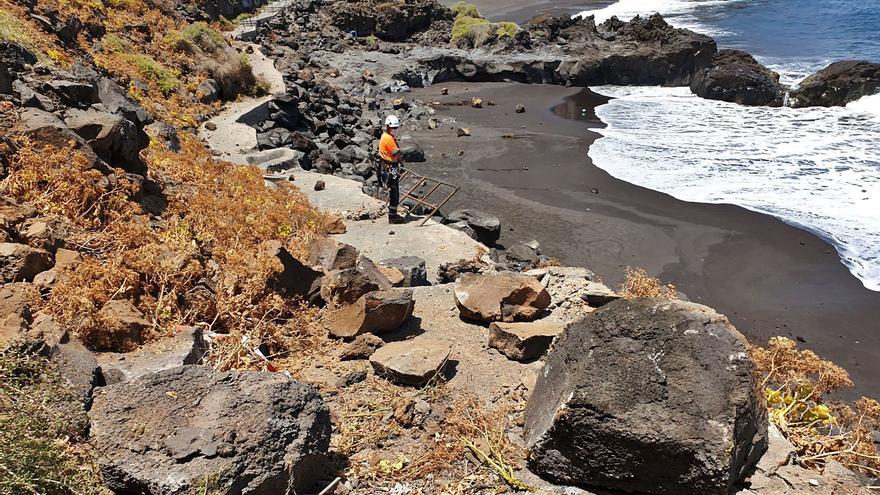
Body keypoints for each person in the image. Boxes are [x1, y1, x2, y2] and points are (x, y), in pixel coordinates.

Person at [378, 114, 404, 224]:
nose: (395, 130)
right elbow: (394, 152)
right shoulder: (388, 138)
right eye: (394, 128)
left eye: (396, 128)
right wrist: (400, 151)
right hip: (390, 166)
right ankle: (392, 216)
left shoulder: (386, 136)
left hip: (386, 165)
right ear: (388, 127)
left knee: (393, 189)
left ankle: (393, 213)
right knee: (394, 191)